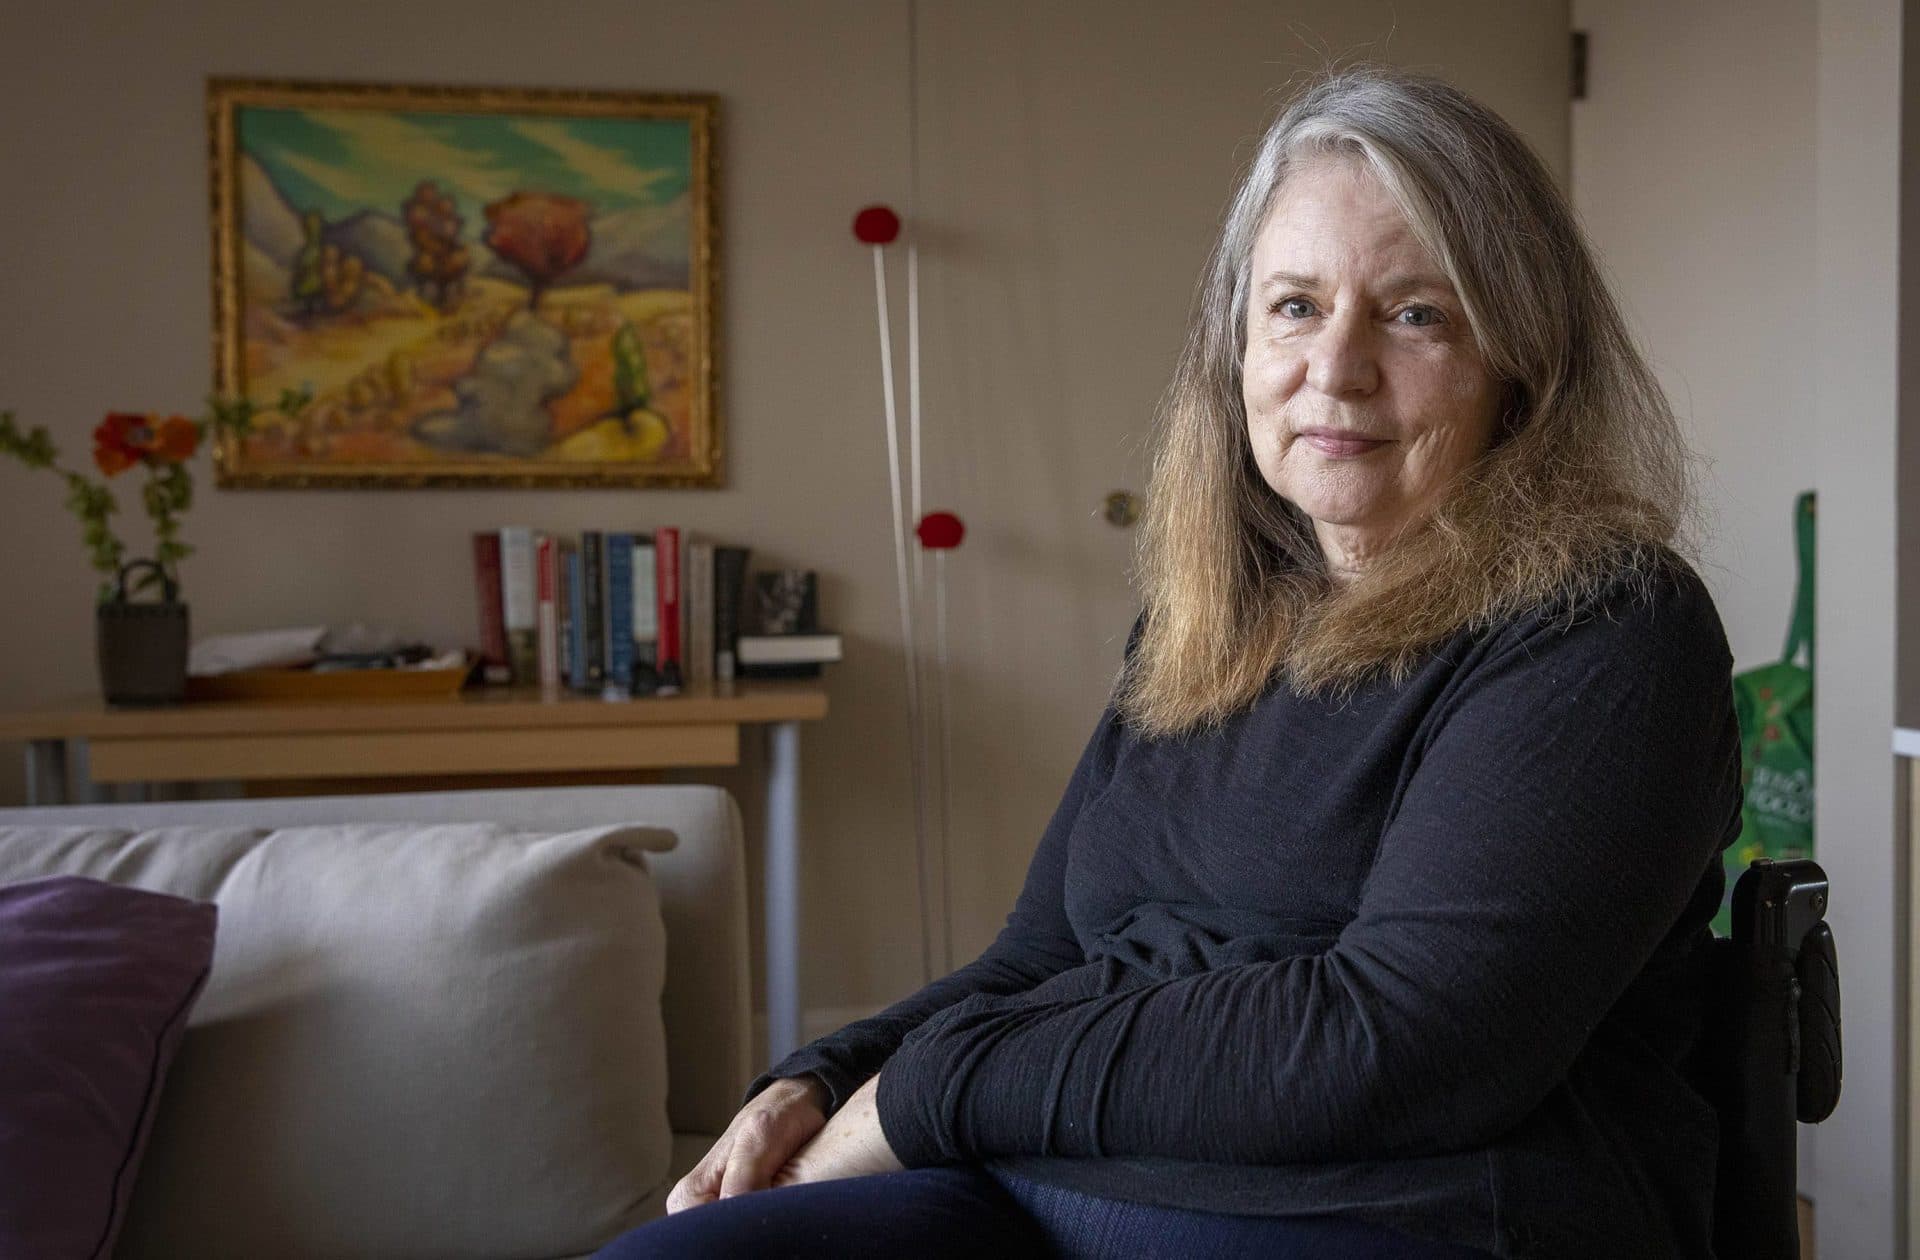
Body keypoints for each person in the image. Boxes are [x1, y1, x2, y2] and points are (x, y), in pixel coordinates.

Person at [596, 64, 1740, 1260]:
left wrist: (921, 1097)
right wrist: (831, 1077)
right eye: (1294, 305)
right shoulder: (1208, 622)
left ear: (1524, 362)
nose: (1335, 368)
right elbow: (1044, 957)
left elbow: (1400, 1049)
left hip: (1397, 1216)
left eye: (1418, 314)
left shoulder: (1606, 632)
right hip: (1042, 1190)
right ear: (1234, 348)